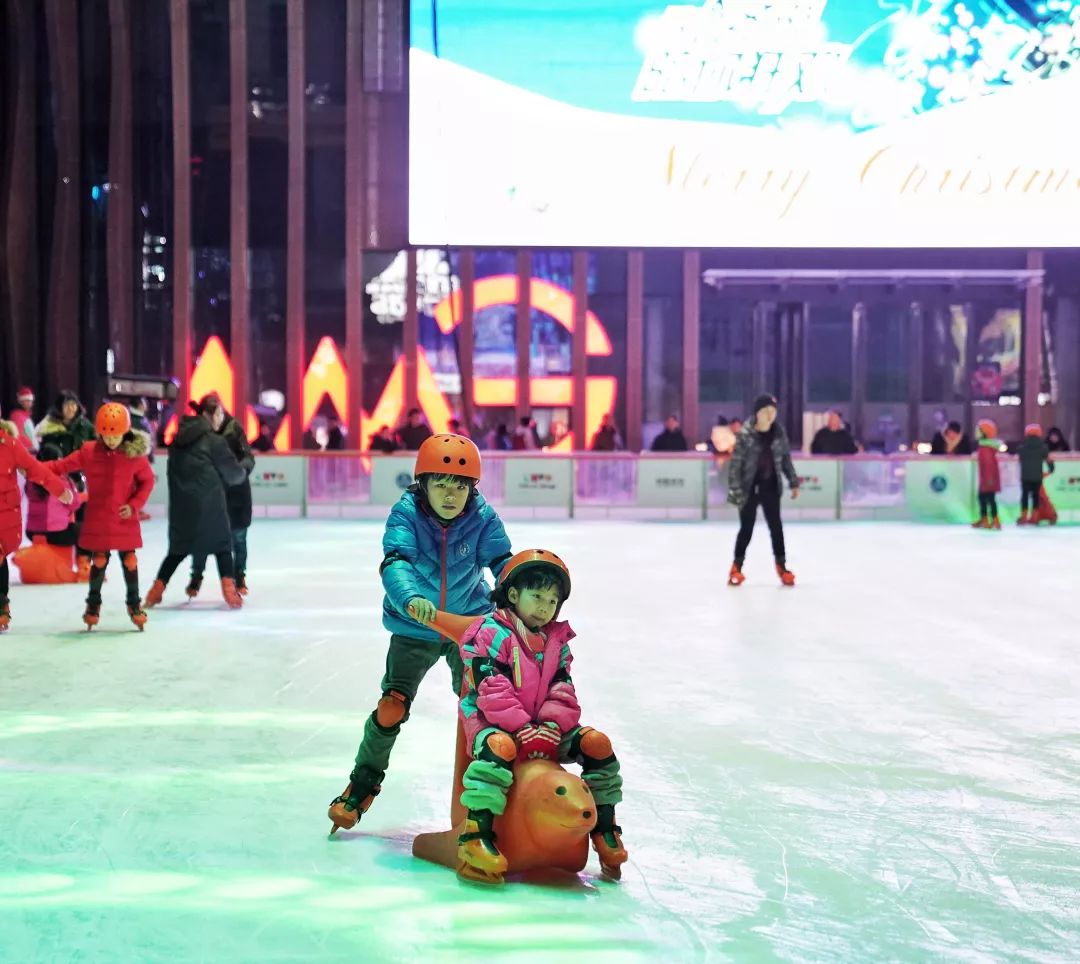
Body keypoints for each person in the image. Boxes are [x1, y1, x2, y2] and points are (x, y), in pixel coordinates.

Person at [327, 434, 512, 834]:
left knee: (484, 710)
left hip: (467, 626)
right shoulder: (406, 513)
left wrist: (518, 592)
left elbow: (502, 561)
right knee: (392, 706)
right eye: (441, 484)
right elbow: (395, 561)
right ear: (423, 483)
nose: (451, 494)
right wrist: (410, 598)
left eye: (460, 485)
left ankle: (497, 792)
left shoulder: (481, 516)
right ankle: (362, 784)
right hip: (414, 627)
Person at [456, 549, 627, 884]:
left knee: (595, 743)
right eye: (537, 596)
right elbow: (491, 687)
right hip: (491, 722)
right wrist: (522, 728)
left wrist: (549, 726)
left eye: (552, 601)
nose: (545, 607)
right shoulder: (489, 632)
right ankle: (476, 834)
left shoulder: (557, 640)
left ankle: (605, 828)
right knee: (499, 749)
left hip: (545, 727)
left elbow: (563, 688)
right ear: (514, 594)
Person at [48, 403, 155, 630]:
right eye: (107, 435)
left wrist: (134, 504)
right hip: (99, 518)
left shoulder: (133, 454)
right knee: (99, 561)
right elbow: (62, 465)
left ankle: (134, 604)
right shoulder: (89, 452)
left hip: (124, 518)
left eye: (116, 435)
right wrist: (35, 468)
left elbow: (147, 481)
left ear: (125, 431)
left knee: (130, 561)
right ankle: (93, 604)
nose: (111, 440)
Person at [142, 398, 249, 610]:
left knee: (177, 552)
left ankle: (155, 592)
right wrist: (244, 469)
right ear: (211, 414)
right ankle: (230, 592)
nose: (221, 419)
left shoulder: (177, 441)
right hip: (210, 507)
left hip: (182, 509)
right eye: (219, 414)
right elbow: (234, 474)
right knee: (222, 548)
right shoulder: (214, 441)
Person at [0, 412, 72, 632]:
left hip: (4, 516)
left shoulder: (10, 445)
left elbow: (35, 468)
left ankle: (2, 605)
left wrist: (59, 489)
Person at [727, 394, 800, 587]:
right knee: (747, 528)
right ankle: (736, 566)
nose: (770, 415)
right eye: (767, 411)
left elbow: (785, 459)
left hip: (770, 486)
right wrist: (735, 489)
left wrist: (793, 481)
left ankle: (782, 567)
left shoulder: (778, 433)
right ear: (758, 413)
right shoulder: (745, 433)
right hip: (749, 487)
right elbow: (735, 464)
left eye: (773, 412)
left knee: (776, 527)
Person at [186, 394, 256, 597]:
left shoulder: (234, 429)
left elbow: (248, 458)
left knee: (238, 538)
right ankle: (196, 576)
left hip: (237, 494)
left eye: (215, 416)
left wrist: (236, 472)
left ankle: (239, 576)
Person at [37, 391, 99, 578]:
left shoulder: (86, 427)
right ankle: (59, 564)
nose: (71, 408)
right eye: (66, 404)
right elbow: (44, 457)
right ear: (59, 408)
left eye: (73, 404)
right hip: (59, 483)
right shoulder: (50, 430)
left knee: (85, 520)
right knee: (62, 523)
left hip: (82, 482)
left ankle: (84, 562)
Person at [1017, 424, 1053, 525]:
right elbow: (1048, 460)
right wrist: (1051, 470)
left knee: (1024, 496)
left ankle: (1024, 516)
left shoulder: (1022, 447)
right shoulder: (1043, 447)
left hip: (1025, 476)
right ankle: (1035, 517)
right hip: (1037, 476)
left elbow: (1020, 458)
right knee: (1035, 497)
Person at [972, 418, 1002, 530]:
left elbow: (988, 464)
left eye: (979, 430)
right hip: (986, 478)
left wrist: (989, 479)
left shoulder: (986, 448)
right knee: (984, 498)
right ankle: (985, 518)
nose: (976, 432)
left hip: (988, 479)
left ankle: (993, 519)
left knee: (989, 499)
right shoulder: (985, 446)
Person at [10, 387, 37, 451]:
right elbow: (17, 435)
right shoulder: (17, 416)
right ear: (20, 401)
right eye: (27, 400)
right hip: (25, 452)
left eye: (30, 401)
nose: (30, 403)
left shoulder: (27, 416)